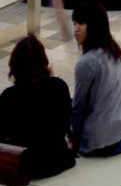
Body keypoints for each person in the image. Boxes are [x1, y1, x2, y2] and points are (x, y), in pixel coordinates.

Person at [70, 2, 121, 157]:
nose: (76, 29)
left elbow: (78, 108)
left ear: (94, 25)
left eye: (81, 23)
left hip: (109, 141)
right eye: (74, 23)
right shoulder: (112, 49)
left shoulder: (87, 62)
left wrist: (73, 144)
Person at [0, 35, 75, 178]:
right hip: (58, 160)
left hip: (26, 167)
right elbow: (66, 123)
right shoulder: (59, 86)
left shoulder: (9, 97)